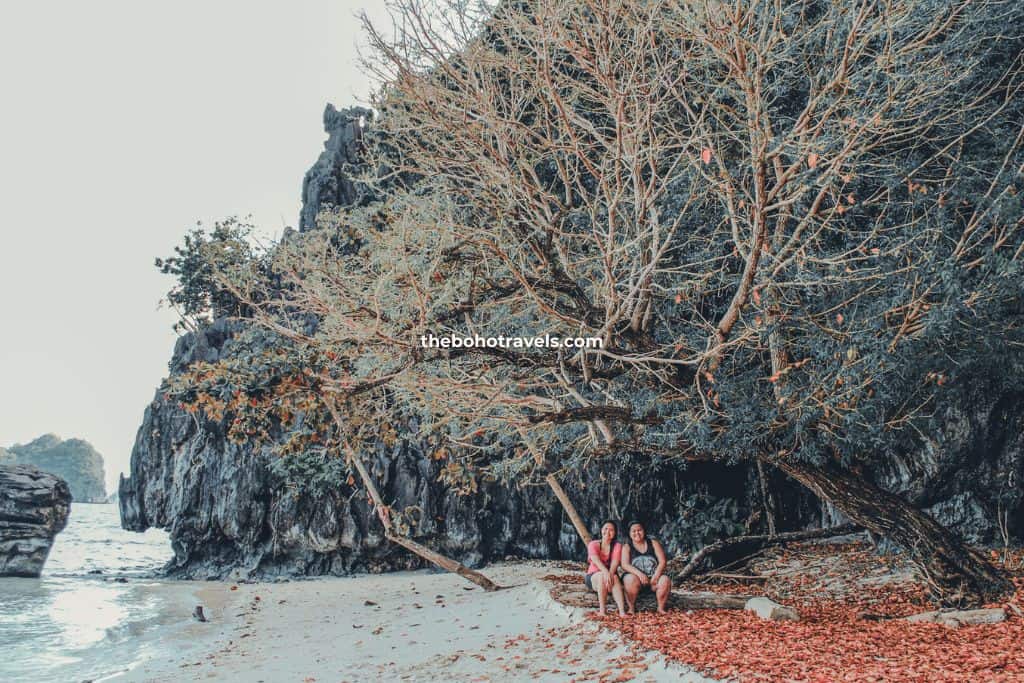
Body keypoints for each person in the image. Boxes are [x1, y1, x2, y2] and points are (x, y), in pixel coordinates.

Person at [621, 520, 671, 614]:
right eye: (633, 531)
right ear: (629, 533)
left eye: (639, 530)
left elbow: (662, 561)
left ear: (644, 531)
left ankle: (660, 608)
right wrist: (640, 574)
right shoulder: (627, 547)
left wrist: (656, 576)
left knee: (665, 580)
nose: (637, 533)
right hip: (636, 580)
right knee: (629, 579)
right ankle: (631, 608)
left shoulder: (653, 543)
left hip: (653, 579)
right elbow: (624, 564)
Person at [585, 519, 627, 617]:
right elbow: (595, 560)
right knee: (601, 576)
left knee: (615, 578)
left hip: (611, 576)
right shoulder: (593, 544)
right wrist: (606, 573)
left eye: (611, 530)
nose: (608, 532)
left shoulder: (617, 546)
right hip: (593, 576)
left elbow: (615, 562)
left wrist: (610, 574)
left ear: (615, 533)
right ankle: (602, 611)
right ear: (601, 530)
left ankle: (622, 611)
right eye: (606, 529)